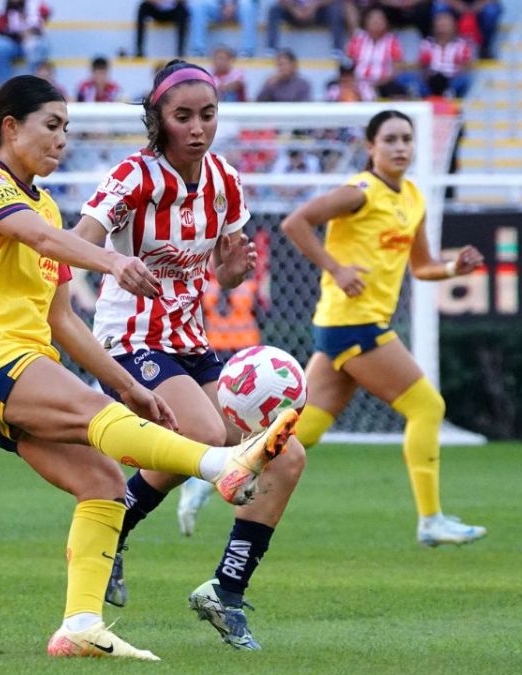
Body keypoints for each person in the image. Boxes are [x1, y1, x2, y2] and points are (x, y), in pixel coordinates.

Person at [0, 74, 299, 660]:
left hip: (23, 363)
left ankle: (79, 626)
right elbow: (47, 241)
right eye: (51, 126)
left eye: (67, 129)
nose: (61, 140)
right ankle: (220, 465)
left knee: (102, 485)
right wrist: (112, 260)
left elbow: (62, 319)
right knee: (106, 415)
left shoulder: (46, 202)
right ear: (10, 128)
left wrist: (129, 386)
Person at [71, 60, 307, 651]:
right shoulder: (132, 177)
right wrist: (116, 263)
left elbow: (223, 274)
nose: (198, 128)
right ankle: (115, 529)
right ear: (159, 120)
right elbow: (75, 245)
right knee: (201, 433)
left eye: (208, 115)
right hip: (129, 339)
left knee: (287, 453)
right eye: (183, 117)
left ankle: (225, 590)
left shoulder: (225, 180)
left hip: (190, 343)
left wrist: (231, 272)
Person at [281, 109, 489, 547]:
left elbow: (423, 267)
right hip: (352, 323)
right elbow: (295, 222)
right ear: (371, 148)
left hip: (349, 325)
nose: (400, 147)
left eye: (406, 139)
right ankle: (430, 520)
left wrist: (454, 267)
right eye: (390, 139)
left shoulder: (413, 197)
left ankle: (214, 473)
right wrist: (335, 269)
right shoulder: (359, 192)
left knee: (306, 431)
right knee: (427, 407)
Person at [345, 6, 407, 100]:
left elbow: (397, 69)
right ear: (366, 21)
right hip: (358, 82)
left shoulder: (392, 41)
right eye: (372, 18)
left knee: (395, 90)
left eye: (379, 18)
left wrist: (376, 84)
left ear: (386, 22)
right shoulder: (357, 39)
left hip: (383, 85)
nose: (376, 21)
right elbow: (348, 65)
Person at [409, 11, 473, 98]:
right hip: (432, 78)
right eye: (440, 25)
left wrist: (456, 73)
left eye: (446, 25)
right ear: (434, 27)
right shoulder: (427, 44)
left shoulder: (461, 44)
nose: (442, 28)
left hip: (451, 78)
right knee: (411, 78)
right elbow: (421, 65)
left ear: (454, 26)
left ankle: (449, 93)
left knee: (464, 79)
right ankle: (428, 96)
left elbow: (466, 65)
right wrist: (426, 75)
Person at [0, 0, 50, 85]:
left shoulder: (35, 4)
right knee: (1, 46)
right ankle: (6, 85)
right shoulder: (6, 8)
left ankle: (35, 84)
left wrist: (29, 31)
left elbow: (42, 21)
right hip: (14, 43)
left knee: (35, 45)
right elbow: (1, 30)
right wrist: (19, 33)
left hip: (31, 40)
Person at [266, 0, 346, 54]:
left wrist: (314, 6)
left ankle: (337, 49)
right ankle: (272, 48)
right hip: (294, 13)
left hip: (317, 13)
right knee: (274, 9)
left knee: (336, 10)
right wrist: (294, 10)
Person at [189, 0, 258, 57]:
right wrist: (223, 5)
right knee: (198, 5)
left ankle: (247, 51)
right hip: (216, 7)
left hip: (238, 7)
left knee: (247, 5)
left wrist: (232, 4)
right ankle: (198, 50)